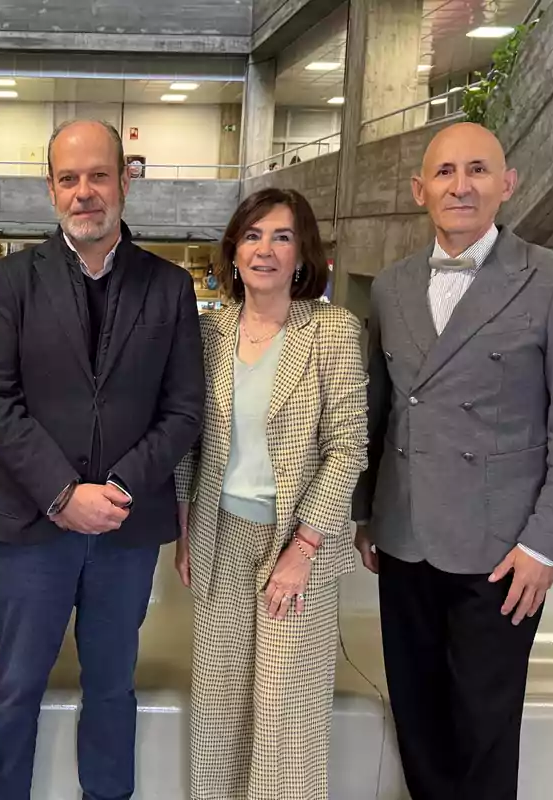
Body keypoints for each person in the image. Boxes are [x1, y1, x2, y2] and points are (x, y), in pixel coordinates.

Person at [353, 122, 553, 800]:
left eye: (477, 170)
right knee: (418, 721)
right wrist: (365, 514)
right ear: (418, 190)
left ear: (506, 183)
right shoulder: (391, 285)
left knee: (485, 731)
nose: (460, 185)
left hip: (501, 551)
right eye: (443, 172)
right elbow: (378, 411)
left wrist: (546, 546)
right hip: (403, 540)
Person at [0, 119, 204, 800]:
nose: (85, 192)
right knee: (14, 685)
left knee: (112, 686)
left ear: (125, 180)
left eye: (98, 175)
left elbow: (184, 410)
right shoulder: (13, 279)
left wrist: (122, 487)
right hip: (31, 524)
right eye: (68, 179)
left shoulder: (169, 286)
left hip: (125, 530)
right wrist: (62, 493)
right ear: (51, 189)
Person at [173, 188, 368, 799]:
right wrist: (184, 532)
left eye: (282, 237)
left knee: (287, 718)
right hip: (219, 539)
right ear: (233, 252)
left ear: (302, 254)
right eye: (253, 236)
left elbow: (349, 446)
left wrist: (304, 547)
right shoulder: (210, 331)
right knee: (221, 708)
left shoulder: (332, 329)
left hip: (296, 546)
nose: (265, 250)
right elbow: (189, 443)